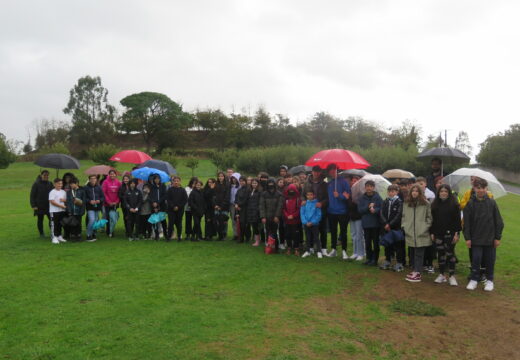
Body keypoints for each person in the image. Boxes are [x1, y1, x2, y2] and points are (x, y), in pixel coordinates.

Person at [464, 178, 504, 291]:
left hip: (490, 239)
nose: (480, 190)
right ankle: (474, 279)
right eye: (478, 188)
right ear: (474, 188)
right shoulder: (470, 203)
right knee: (476, 259)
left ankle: (490, 280)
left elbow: (499, 222)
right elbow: (466, 223)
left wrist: (497, 237)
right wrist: (467, 238)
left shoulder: (492, 203)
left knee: (489, 260)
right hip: (475, 239)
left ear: (486, 189)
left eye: (483, 188)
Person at [430, 184, 461, 286]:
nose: (443, 193)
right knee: (440, 254)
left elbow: (457, 221)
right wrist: (432, 233)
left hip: (450, 234)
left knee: (450, 253)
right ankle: (442, 274)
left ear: (449, 193)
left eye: (446, 191)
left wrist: (457, 234)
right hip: (438, 234)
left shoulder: (454, 205)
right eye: (441, 191)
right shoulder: (434, 205)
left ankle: (451, 276)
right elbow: (433, 221)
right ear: (438, 193)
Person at [402, 184, 432, 283]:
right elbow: (404, 216)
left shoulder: (426, 204)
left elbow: (429, 218)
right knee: (412, 252)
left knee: (419, 253)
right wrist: (404, 226)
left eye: (417, 191)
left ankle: (418, 272)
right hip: (410, 231)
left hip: (421, 232)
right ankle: (415, 270)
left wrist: (425, 227)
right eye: (413, 191)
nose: (414, 192)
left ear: (420, 193)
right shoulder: (406, 203)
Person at [302, 165, 329, 257]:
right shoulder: (307, 183)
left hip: (321, 209)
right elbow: (302, 195)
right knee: (310, 230)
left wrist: (322, 203)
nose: (316, 173)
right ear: (312, 172)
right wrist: (304, 200)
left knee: (323, 230)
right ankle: (311, 248)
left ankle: (323, 248)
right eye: (314, 171)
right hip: (309, 211)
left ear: (320, 172)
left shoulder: (324, 184)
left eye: (318, 171)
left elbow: (327, 197)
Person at [326, 163, 351, 259]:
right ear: (329, 172)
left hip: (342, 212)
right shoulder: (330, 183)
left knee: (343, 232)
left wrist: (339, 195)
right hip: (331, 211)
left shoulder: (344, 182)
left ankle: (344, 251)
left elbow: (347, 196)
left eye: (334, 170)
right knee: (333, 231)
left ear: (337, 170)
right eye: (331, 170)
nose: (332, 172)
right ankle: (334, 250)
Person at [358, 180, 383, 266]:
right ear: (365, 187)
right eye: (367, 186)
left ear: (373, 187)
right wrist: (368, 207)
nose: (369, 188)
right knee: (367, 242)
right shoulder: (362, 198)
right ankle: (369, 258)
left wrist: (375, 210)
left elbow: (381, 208)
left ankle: (375, 260)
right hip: (366, 224)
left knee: (375, 242)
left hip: (375, 224)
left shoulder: (377, 197)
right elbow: (360, 210)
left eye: (371, 186)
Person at [379, 184, 404, 271]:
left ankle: (399, 262)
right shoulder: (385, 201)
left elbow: (399, 215)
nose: (391, 193)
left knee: (398, 246)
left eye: (393, 191)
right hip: (386, 228)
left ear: (397, 192)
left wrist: (390, 224)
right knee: (387, 245)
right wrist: (385, 223)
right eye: (389, 191)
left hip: (395, 228)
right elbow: (381, 213)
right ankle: (387, 260)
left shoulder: (399, 202)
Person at [416, 176, 436, 273]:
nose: (420, 186)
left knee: (429, 245)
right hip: (419, 223)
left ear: (425, 184)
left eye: (421, 184)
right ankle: (423, 263)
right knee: (421, 244)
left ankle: (430, 264)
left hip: (428, 222)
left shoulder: (430, 194)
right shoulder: (416, 194)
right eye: (418, 184)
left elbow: (432, 209)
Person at [260, 178, 283, 248]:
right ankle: (268, 245)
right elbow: (261, 206)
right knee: (267, 231)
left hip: (275, 217)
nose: (270, 185)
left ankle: (276, 245)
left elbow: (280, 206)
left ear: (274, 184)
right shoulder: (264, 194)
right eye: (269, 183)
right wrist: (263, 216)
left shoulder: (279, 194)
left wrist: (277, 216)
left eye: (272, 183)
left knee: (276, 232)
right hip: (266, 217)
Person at [30, 170, 53, 238]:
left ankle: (52, 232)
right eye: (45, 175)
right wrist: (33, 205)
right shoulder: (36, 184)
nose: (46, 176)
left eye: (47, 175)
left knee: (51, 219)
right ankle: (41, 233)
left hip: (49, 205)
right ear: (41, 175)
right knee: (40, 220)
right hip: (39, 205)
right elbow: (32, 195)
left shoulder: (50, 183)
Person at [301, 190, 323, 259]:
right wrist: (305, 222)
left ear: (313, 195)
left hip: (314, 224)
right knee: (307, 238)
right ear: (306, 196)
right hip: (306, 224)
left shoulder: (316, 203)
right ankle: (308, 251)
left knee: (316, 238)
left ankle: (319, 251)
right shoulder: (304, 203)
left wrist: (312, 222)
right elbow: (302, 213)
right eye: (308, 195)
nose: (309, 196)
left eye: (311, 195)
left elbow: (318, 215)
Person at [347, 175, 364, 261]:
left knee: (359, 235)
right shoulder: (349, 192)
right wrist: (348, 199)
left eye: (356, 181)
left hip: (359, 217)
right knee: (353, 235)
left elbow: (362, 206)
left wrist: (355, 202)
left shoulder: (361, 193)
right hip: (351, 216)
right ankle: (355, 252)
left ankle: (361, 253)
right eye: (352, 181)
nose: (353, 182)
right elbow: (349, 206)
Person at [282, 183, 302, 256]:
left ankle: (296, 249)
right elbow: (283, 209)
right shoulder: (286, 199)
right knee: (287, 235)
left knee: (296, 235)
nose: (291, 191)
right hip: (287, 221)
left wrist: (293, 216)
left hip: (295, 221)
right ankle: (289, 248)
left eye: (292, 190)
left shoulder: (298, 199)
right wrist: (287, 215)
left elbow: (299, 209)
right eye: (290, 190)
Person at [166, 176, 188, 241]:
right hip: (171, 210)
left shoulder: (182, 190)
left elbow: (185, 200)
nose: (176, 182)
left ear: (179, 182)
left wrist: (178, 206)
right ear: (172, 182)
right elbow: (168, 199)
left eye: (177, 181)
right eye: (175, 181)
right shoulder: (170, 190)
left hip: (180, 210)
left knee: (179, 223)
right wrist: (173, 206)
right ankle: (169, 237)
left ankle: (179, 236)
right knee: (171, 223)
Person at [102, 169, 121, 238]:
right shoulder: (105, 182)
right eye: (111, 174)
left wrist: (116, 202)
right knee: (108, 218)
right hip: (107, 204)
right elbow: (104, 193)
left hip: (115, 204)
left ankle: (112, 230)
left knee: (113, 218)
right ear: (109, 175)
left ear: (115, 175)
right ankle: (109, 231)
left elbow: (120, 193)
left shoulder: (118, 182)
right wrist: (109, 202)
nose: (112, 175)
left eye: (113, 174)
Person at [85, 175, 104, 242]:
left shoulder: (99, 187)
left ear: (96, 180)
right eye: (91, 179)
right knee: (92, 220)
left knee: (95, 221)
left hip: (97, 207)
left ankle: (93, 234)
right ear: (89, 180)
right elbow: (84, 198)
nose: (93, 180)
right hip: (90, 207)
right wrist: (90, 201)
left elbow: (102, 197)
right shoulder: (86, 188)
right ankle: (88, 235)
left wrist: (99, 200)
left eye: (94, 179)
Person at [48, 178, 68, 244]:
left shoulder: (63, 192)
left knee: (60, 224)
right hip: (54, 211)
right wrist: (61, 206)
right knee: (54, 224)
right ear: (54, 184)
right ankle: (54, 237)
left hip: (61, 211)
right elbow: (52, 201)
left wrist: (64, 201)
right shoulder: (52, 192)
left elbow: (66, 200)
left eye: (61, 183)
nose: (60, 185)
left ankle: (59, 236)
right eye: (58, 184)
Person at [150, 174, 167, 240]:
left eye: (158, 179)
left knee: (163, 221)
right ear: (153, 180)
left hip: (162, 206)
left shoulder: (163, 186)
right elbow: (150, 196)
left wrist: (158, 202)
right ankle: (156, 235)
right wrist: (153, 203)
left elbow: (164, 195)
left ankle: (166, 234)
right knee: (155, 221)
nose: (157, 180)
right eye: (155, 179)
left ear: (160, 179)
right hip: (153, 206)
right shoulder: (151, 187)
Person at [214, 171, 231, 241]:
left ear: (224, 177)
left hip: (224, 206)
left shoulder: (227, 185)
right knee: (217, 221)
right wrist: (215, 205)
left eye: (222, 176)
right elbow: (214, 196)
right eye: (219, 176)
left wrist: (221, 206)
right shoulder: (216, 185)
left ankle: (224, 235)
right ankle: (219, 235)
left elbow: (227, 197)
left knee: (224, 221)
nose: (220, 177)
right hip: (216, 206)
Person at [246, 178, 262, 246]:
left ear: (258, 184)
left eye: (255, 183)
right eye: (253, 183)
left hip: (256, 211)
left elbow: (260, 202)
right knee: (253, 225)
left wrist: (257, 210)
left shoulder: (259, 192)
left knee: (256, 226)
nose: (254, 184)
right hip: (250, 211)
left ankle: (258, 241)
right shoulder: (250, 191)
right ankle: (256, 240)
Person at [234, 177, 250, 243]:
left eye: (243, 181)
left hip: (245, 209)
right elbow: (236, 198)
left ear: (245, 181)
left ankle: (247, 237)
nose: (241, 182)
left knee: (244, 224)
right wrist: (236, 204)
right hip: (238, 208)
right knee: (239, 223)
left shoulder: (248, 189)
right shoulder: (239, 190)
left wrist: (239, 205)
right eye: (240, 181)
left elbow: (246, 199)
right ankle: (241, 237)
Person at [184, 176, 198, 241]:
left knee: (196, 221)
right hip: (188, 207)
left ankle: (194, 234)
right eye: (193, 182)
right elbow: (186, 197)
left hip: (195, 208)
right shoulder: (186, 188)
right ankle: (188, 234)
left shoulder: (198, 189)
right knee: (188, 221)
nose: (194, 184)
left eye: (195, 183)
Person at [229, 173, 241, 241]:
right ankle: (235, 234)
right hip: (232, 205)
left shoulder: (240, 187)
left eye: (235, 178)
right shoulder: (230, 186)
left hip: (238, 205)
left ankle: (240, 234)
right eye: (232, 178)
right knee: (233, 220)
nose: (233, 180)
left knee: (239, 220)